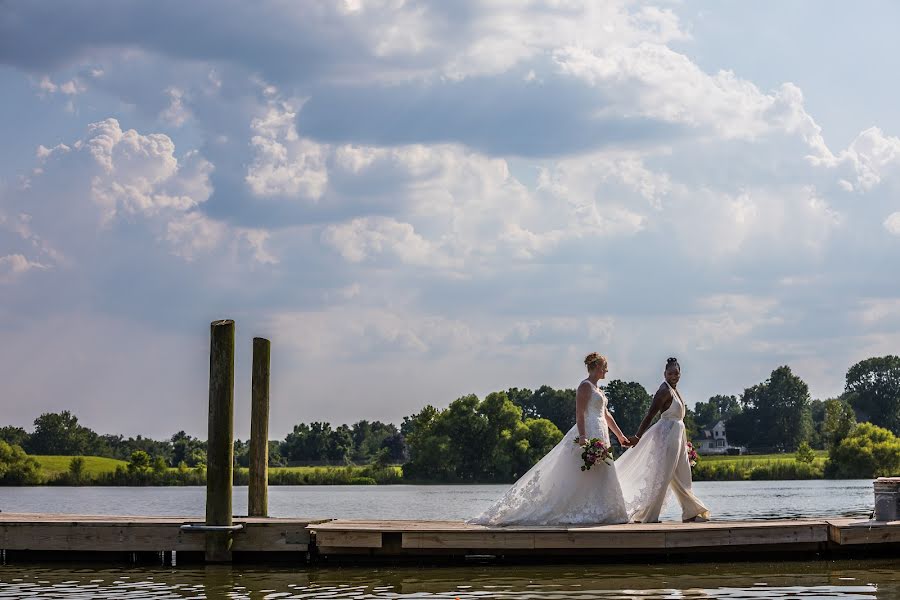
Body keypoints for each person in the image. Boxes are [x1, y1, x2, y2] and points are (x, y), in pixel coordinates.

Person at [469, 352, 630, 525]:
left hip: (601, 432)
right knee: (580, 472)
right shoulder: (585, 387)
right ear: (597, 367)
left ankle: (604, 511)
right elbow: (579, 414)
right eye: (605, 367)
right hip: (589, 432)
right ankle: (578, 509)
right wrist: (583, 436)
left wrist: (620, 436)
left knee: (602, 471)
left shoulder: (599, 390)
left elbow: (606, 414)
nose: (607, 370)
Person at [616, 357, 710, 523]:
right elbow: (650, 415)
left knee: (683, 474)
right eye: (671, 373)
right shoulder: (664, 391)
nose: (674, 376)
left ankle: (690, 512)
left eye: (676, 373)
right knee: (664, 475)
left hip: (677, 435)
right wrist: (637, 436)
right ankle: (648, 515)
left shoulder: (675, 390)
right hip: (667, 436)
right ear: (665, 374)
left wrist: (684, 443)